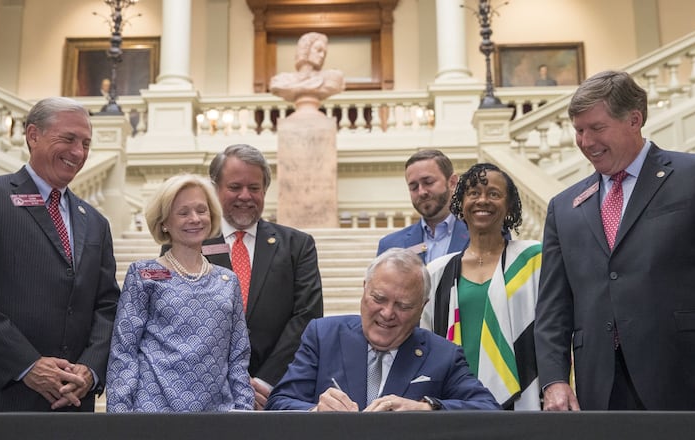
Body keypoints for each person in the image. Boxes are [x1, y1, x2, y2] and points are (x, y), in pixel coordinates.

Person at [535, 70, 695, 411]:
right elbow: (553, 306)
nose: (585, 142)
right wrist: (554, 380)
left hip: (691, 383)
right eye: (579, 131)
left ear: (634, 120)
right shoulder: (563, 207)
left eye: (597, 128)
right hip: (600, 391)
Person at [0, 97, 121, 412]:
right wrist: (28, 365)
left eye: (86, 143)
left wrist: (89, 370)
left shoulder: (96, 222)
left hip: (69, 404)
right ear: (33, 135)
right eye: (68, 139)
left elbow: (107, 307)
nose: (78, 152)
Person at [265, 247, 500, 411]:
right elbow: (279, 402)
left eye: (403, 305)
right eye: (379, 298)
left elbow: (488, 409)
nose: (387, 313)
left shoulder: (444, 355)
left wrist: (426, 407)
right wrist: (316, 411)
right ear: (364, 289)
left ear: (422, 307)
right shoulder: (323, 335)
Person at [106, 174, 253, 412]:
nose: (194, 219)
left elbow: (238, 357)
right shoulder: (143, 274)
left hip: (216, 419)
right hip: (152, 416)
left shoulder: (228, 281)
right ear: (164, 222)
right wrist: (119, 419)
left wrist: (244, 413)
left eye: (201, 210)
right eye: (183, 213)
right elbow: (124, 352)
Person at [202, 143, 324, 409]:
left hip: (276, 394)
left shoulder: (297, 246)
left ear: (265, 190)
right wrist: (224, 381)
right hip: (206, 393)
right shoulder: (191, 244)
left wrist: (265, 382)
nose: (245, 196)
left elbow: (307, 317)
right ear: (216, 189)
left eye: (254, 188)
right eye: (235, 187)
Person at [423, 163, 541, 410]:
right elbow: (424, 341)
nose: (483, 200)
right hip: (455, 398)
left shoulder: (534, 260)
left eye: (494, 194)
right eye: (474, 193)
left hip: (523, 394)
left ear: (509, 206)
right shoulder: (437, 271)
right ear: (461, 204)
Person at [376, 150, 469, 263]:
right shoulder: (391, 246)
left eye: (428, 182)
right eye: (414, 187)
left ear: (452, 183)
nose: (421, 192)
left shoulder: (478, 238)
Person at [270, 32, 344, 112]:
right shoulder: (282, 80)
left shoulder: (331, 77)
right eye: (319, 50)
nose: (322, 56)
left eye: (324, 53)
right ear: (306, 49)